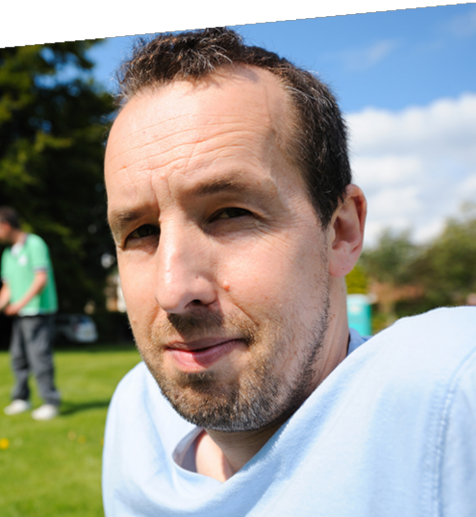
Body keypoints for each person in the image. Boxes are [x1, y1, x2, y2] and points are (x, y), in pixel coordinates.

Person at [102, 28, 475, 516]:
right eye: (141, 232)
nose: (174, 291)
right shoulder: (136, 417)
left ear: (340, 231)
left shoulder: (443, 403)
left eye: (230, 213)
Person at [0, 207, 61, 421]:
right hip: (21, 314)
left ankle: (50, 402)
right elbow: (7, 285)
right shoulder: (8, 254)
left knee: (39, 357)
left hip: (39, 312)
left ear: (6, 225)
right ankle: (21, 398)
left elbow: (40, 278)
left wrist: (19, 304)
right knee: (18, 357)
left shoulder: (34, 244)